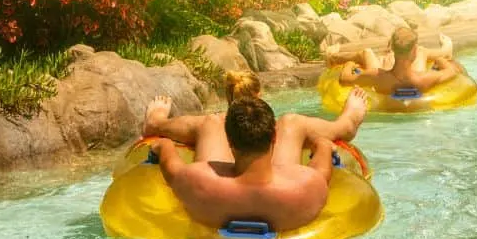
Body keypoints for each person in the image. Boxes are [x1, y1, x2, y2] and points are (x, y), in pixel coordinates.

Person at [145, 90, 367, 231]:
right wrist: (322, 145)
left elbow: (169, 164)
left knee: (211, 122)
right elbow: (322, 168)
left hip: (217, 191)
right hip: (284, 191)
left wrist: (163, 145)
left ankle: (156, 124)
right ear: (274, 137)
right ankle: (346, 125)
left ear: (228, 139)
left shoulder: (194, 179)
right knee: (292, 122)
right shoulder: (309, 184)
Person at [144, 70, 366, 147]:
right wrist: (348, 117)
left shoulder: (209, 125)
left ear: (227, 97)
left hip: (215, 197)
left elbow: (164, 129)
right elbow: (342, 132)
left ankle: (157, 118)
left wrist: (158, 123)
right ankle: (349, 114)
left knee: (206, 123)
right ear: (259, 96)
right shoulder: (288, 128)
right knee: (335, 126)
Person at [325, 25, 461, 96]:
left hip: (386, 78)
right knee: (426, 52)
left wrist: (349, 65)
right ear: (413, 51)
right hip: (412, 73)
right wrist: (439, 59)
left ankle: (332, 56)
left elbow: (344, 79)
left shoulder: (376, 76)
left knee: (366, 53)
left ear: (392, 49)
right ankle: (446, 49)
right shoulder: (425, 78)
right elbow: (452, 71)